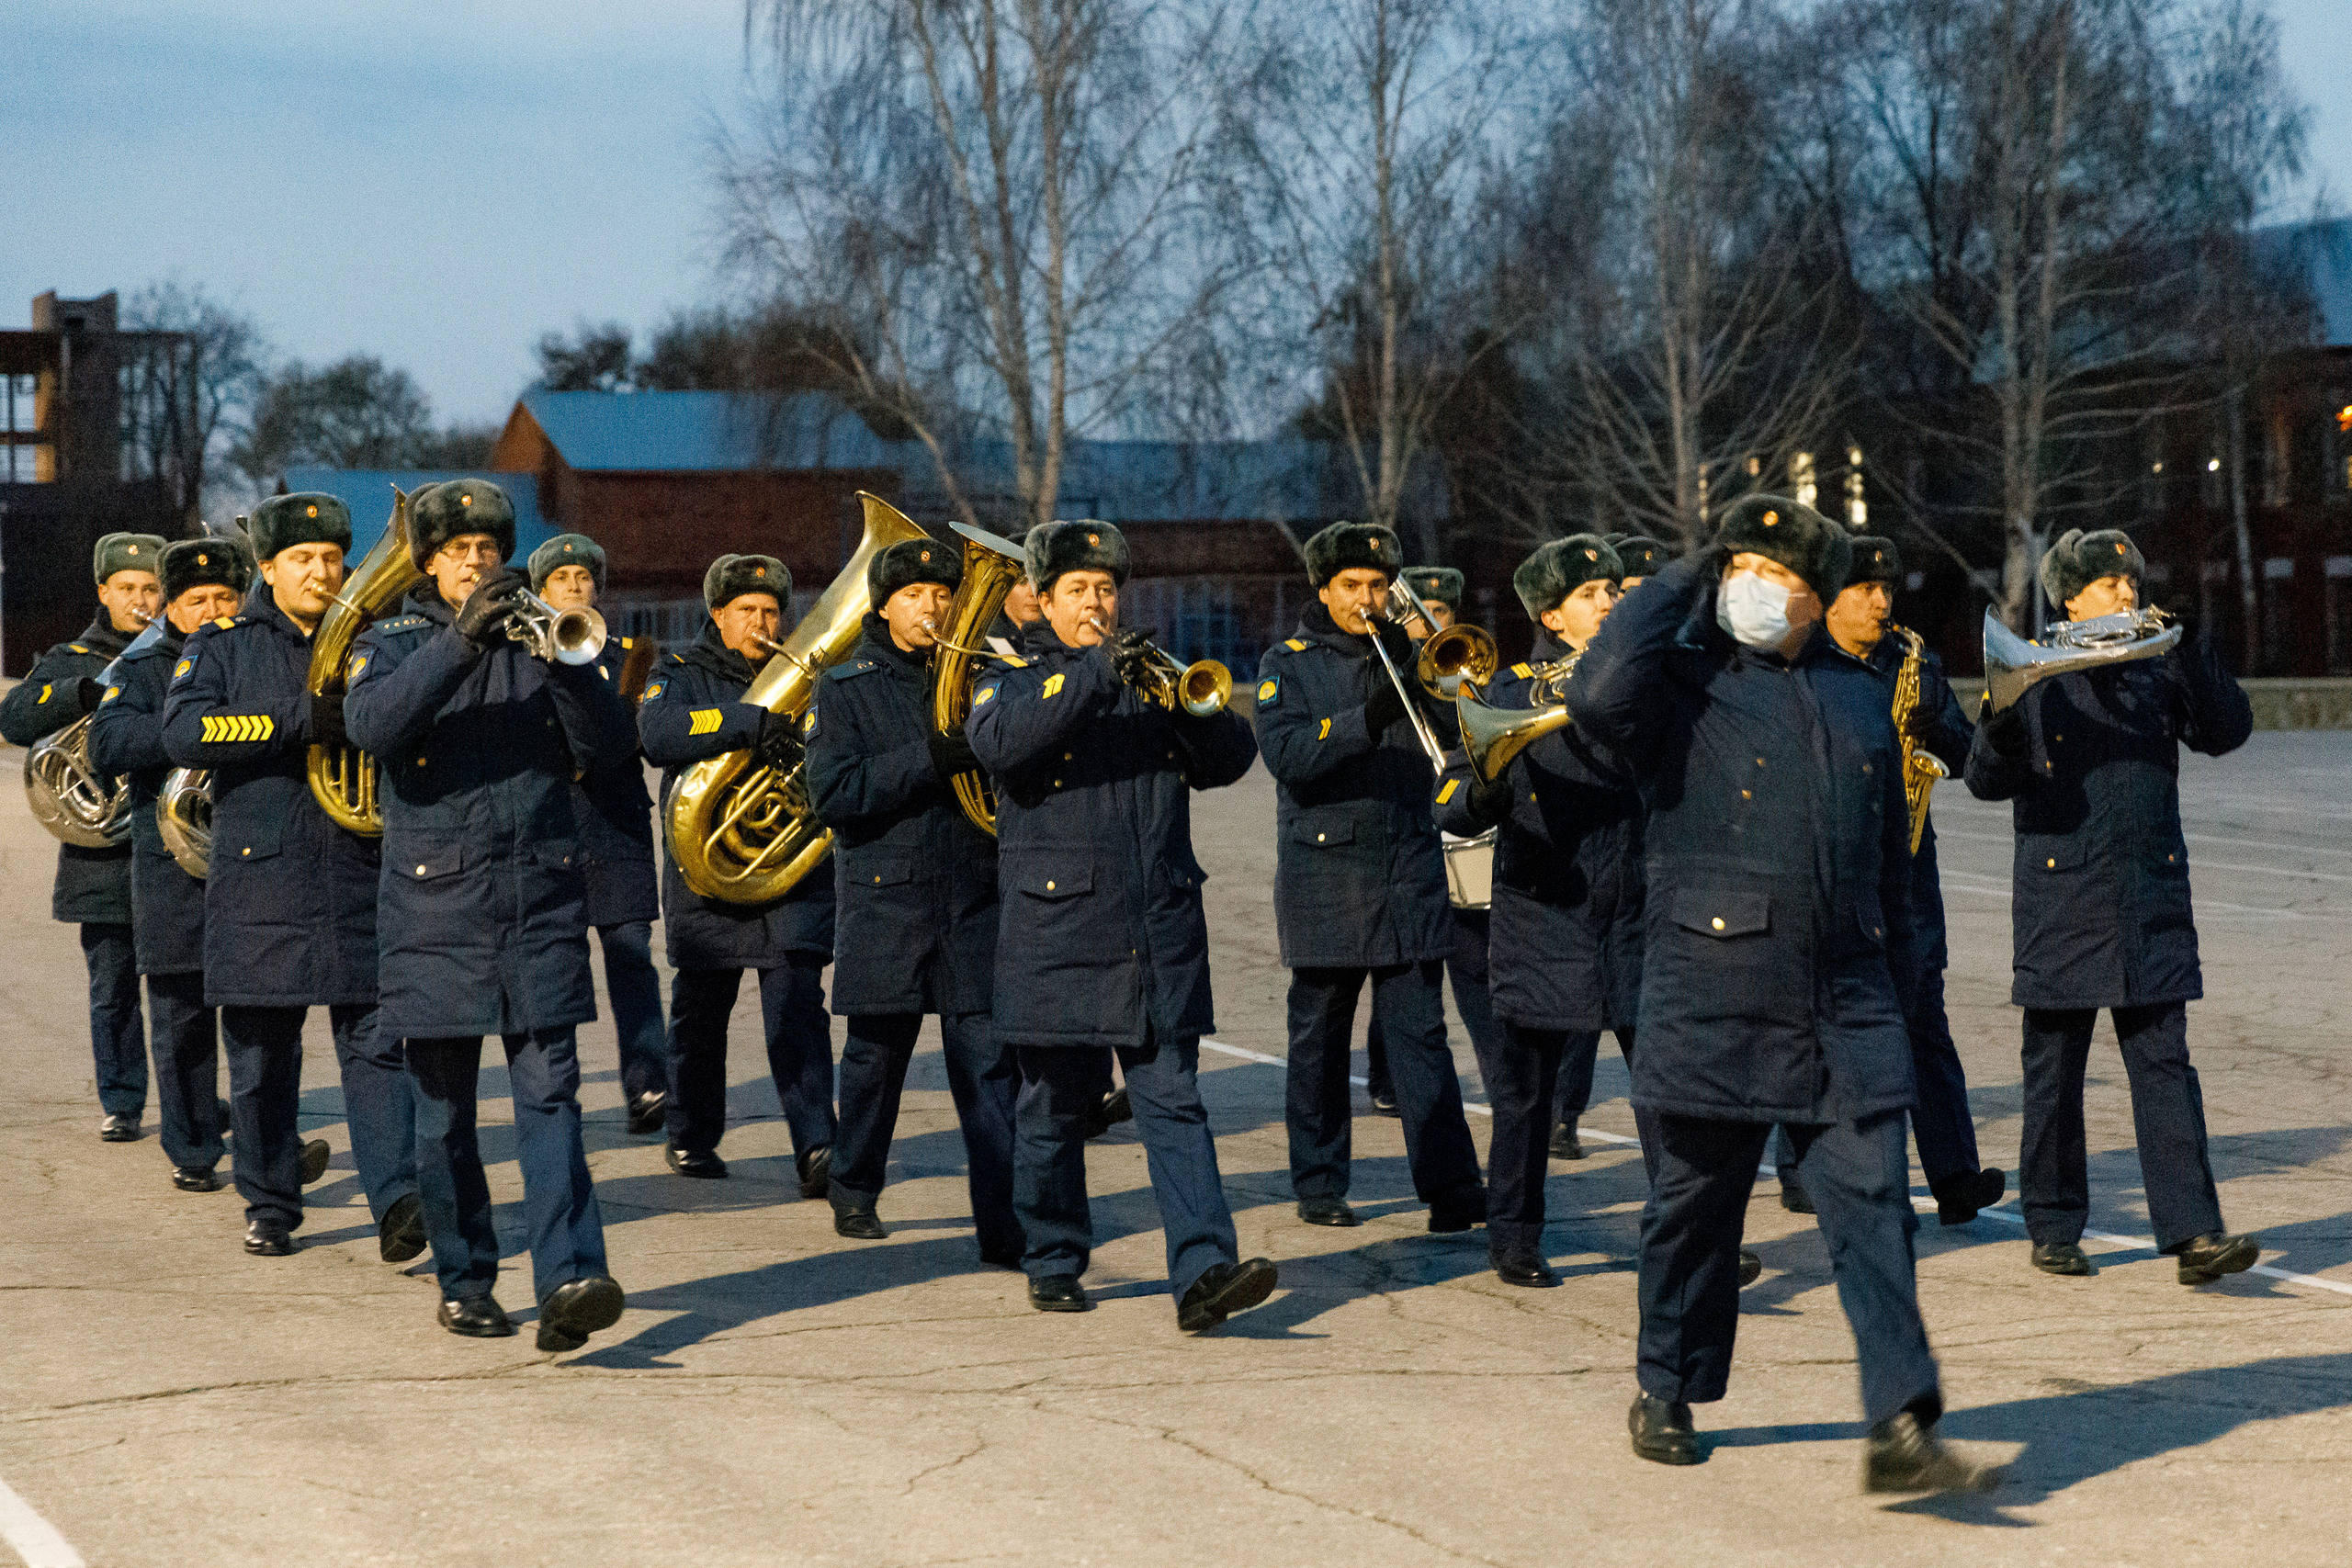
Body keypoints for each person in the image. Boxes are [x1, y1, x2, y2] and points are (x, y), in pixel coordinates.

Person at [1569, 495, 1993, 1492]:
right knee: (1693, 1212)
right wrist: (1690, 568)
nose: (1762, 592)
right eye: (1746, 570)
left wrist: (1900, 976)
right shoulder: (1678, 681)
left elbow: (1891, 851)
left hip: (1846, 999)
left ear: (1818, 598)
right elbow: (1595, 694)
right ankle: (1666, 1385)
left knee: (1876, 1206)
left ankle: (1900, 1424)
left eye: (1785, 579)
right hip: (1710, 991)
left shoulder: (1857, 696)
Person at [967, 519, 1278, 1330]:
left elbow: (1231, 761)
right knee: (1054, 1108)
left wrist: (1193, 707)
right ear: (1040, 598)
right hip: (1060, 931)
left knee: (1174, 1101)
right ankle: (1054, 1253)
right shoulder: (1003, 674)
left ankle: (1204, 1270)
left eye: (1107, 589)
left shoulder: (1146, 679)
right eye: (1079, 590)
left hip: (1158, 932)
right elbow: (1005, 745)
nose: (1097, 603)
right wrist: (1096, 673)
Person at [345, 479, 632, 1348]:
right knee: (444, 1116)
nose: (476, 562)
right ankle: (466, 1276)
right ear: (428, 563)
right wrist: (462, 647)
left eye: (488, 550)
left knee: (553, 1099)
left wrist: (571, 670)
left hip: (537, 904)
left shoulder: (544, 641)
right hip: (436, 907)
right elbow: (373, 726)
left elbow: (611, 752)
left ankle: (570, 1279)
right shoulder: (389, 643)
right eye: (458, 551)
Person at [1963, 528, 2259, 1286]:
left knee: (2165, 1065)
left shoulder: (2157, 667)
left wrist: (2193, 648)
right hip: (2063, 897)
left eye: (2130, 581)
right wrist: (1999, 722)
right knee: (2054, 1073)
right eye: (2108, 584)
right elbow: (1985, 781)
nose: (2126, 593)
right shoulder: (2039, 674)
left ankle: (2194, 1233)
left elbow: (2227, 731)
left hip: (2149, 895)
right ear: (2070, 597)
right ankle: (2056, 1225)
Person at [161, 494, 421, 1262]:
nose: (322, 570)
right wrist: (299, 717)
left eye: (332, 557)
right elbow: (186, 729)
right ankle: (271, 1201)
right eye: (302, 559)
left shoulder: (380, 640)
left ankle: (398, 1198)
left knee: (377, 1048)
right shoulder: (223, 644)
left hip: (357, 869)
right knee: (263, 1057)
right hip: (261, 879)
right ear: (268, 569)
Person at [1254, 523, 1487, 1234]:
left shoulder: (1409, 655)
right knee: (1320, 1039)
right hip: (1328, 874)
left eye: (1379, 586)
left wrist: (1435, 675)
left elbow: (1460, 731)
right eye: (1353, 586)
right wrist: (1367, 715)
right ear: (1324, 590)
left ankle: (1451, 1189)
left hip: (1408, 870)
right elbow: (1291, 755)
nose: (1368, 598)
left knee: (1420, 1038)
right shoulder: (1286, 662)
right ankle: (1320, 1181)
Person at [1435, 536, 1650, 1287]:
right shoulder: (1502, 692)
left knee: (1663, 1088)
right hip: (1542, 907)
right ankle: (1515, 1238)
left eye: (1616, 590)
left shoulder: (1640, 677)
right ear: (1553, 613)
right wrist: (1483, 793)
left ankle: (1695, 1233)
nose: (1613, 602)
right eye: (1596, 593)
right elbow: (1450, 801)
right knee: (1526, 1094)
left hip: (1633, 910)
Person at [90, 535, 328, 1194]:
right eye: (198, 600)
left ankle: (268, 1142)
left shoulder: (254, 649)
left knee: (262, 1017)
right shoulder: (141, 665)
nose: (214, 608)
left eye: (226, 596)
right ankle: (193, 1145)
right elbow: (106, 742)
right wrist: (179, 731)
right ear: (171, 604)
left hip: (255, 857)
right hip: (172, 865)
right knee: (181, 1015)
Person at [804, 536, 1021, 1262]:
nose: (930, 608)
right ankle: (855, 1189)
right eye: (914, 596)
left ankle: (1002, 1221)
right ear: (885, 605)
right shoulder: (845, 685)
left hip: (972, 898)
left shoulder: (985, 675)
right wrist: (934, 756)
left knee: (988, 1065)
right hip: (885, 900)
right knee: (874, 1061)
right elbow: (835, 793)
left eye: (941, 596)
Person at [1775, 536, 2003, 1225]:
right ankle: (1802, 1167)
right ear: (1827, 601)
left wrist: (1943, 732)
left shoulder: (1915, 659)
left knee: (1922, 1014)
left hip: (1908, 867)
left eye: (1886, 590)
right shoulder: (1799, 666)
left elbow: (1968, 759)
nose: (1881, 602)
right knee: (1817, 1019)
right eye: (1864, 591)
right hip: (1831, 868)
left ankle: (1955, 1176)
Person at [638, 554, 838, 1193]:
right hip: (711, 872)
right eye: (746, 611)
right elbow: (659, 732)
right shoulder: (681, 671)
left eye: (771, 611)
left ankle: (817, 1144)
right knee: (701, 1012)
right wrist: (743, 722)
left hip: (786, 866)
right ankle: (691, 1133)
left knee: (798, 1006)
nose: (760, 622)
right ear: (718, 616)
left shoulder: (806, 674)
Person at [2, 532, 162, 1142]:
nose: (141, 600)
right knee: (113, 988)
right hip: (102, 858)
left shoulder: (183, 651)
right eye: (128, 589)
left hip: (172, 846)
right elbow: (13, 719)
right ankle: (123, 1099)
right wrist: (78, 694)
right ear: (103, 591)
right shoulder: (75, 655)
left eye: (151, 588)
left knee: (185, 994)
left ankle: (190, 1100)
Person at [530, 534, 669, 1136]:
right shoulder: (527, 660)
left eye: (583, 577)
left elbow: (641, 735)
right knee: (554, 967)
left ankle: (649, 1086)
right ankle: (555, 1094)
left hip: (616, 829)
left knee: (632, 960)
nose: (574, 587)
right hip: (552, 826)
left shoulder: (630, 655)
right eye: (561, 579)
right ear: (541, 593)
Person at [1363, 564, 1501, 1118]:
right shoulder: (1385, 666)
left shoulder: (1466, 665)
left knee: (1475, 959)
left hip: (1461, 828)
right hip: (1406, 827)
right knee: (1406, 968)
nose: (1428, 624)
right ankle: (1387, 1074)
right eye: (1417, 614)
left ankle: (1500, 1076)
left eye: (1440, 613)